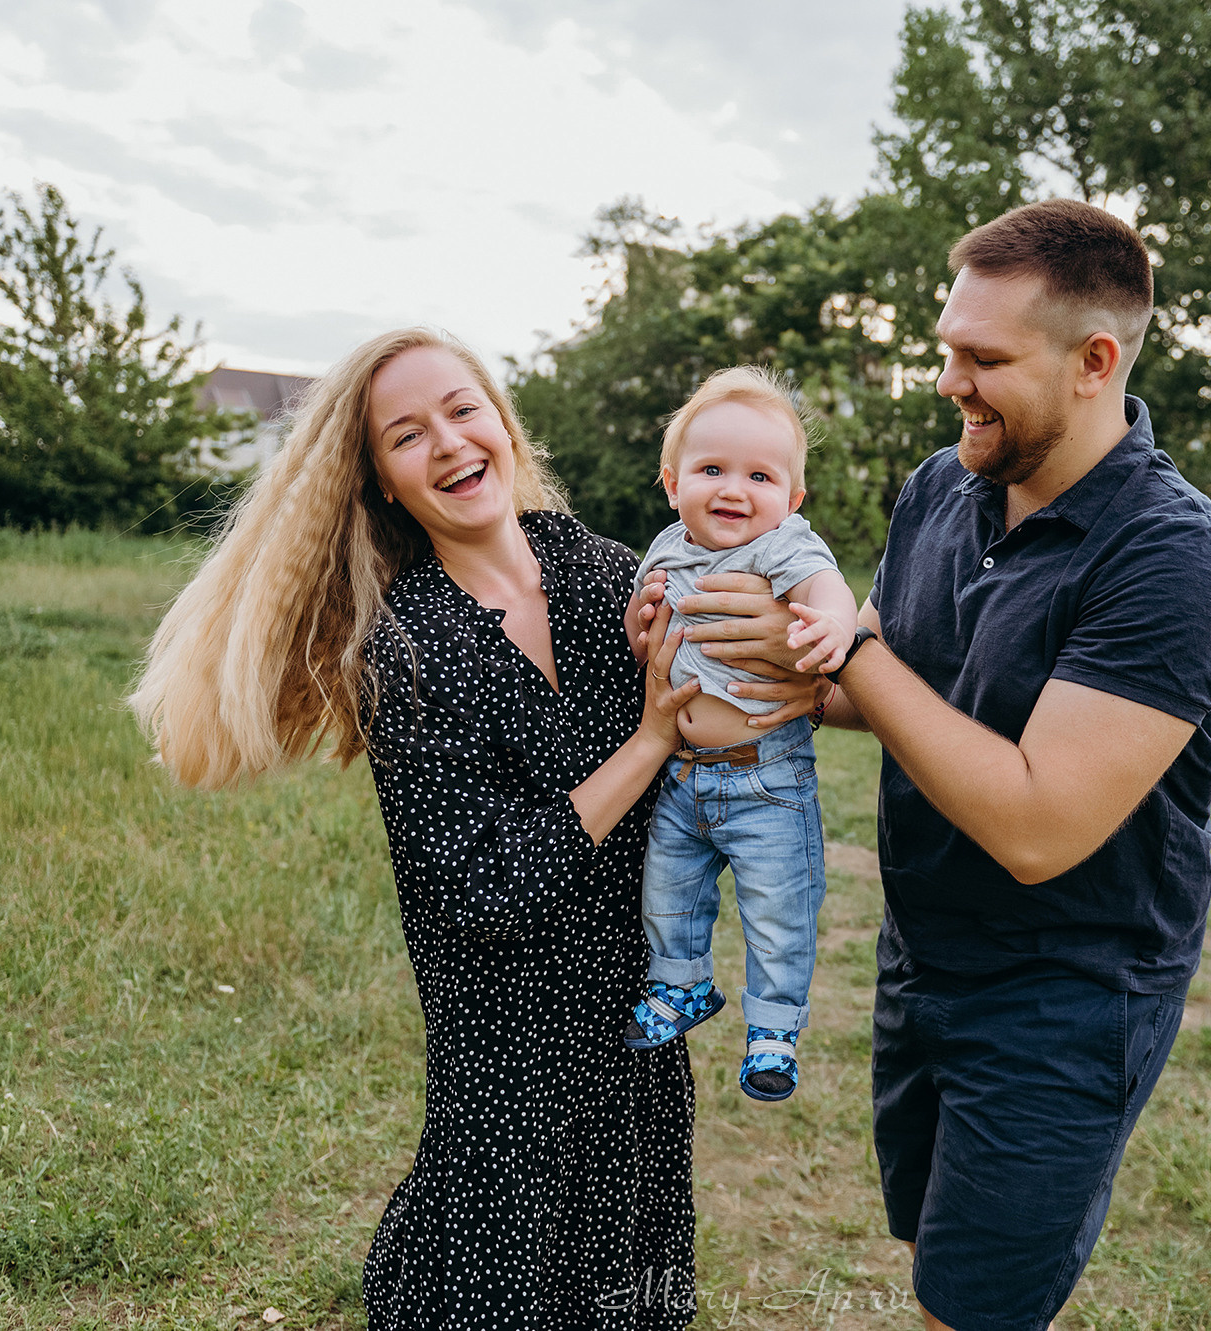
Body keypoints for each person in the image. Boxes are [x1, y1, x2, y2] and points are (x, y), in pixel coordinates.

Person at [128, 327, 815, 1329]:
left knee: (631, 1296)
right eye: (407, 435)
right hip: (509, 1062)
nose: (449, 443)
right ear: (382, 483)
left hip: (634, 1036)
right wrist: (649, 738)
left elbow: (752, 685)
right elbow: (477, 886)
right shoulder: (403, 645)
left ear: (501, 421)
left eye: (462, 409)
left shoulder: (605, 574)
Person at [820, 201, 1211, 1331]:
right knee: (935, 1260)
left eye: (982, 358)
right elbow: (873, 683)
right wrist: (722, 671)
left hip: (1065, 993)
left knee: (973, 1309)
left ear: (1092, 361)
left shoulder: (1173, 558)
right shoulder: (939, 486)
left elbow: (1036, 824)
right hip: (923, 956)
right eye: (945, 347)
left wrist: (850, 650)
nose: (946, 379)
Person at [617, 366, 858, 1104]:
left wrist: (833, 623)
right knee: (666, 894)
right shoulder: (664, 548)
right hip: (685, 776)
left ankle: (775, 1029)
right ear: (671, 482)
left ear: (790, 499)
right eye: (711, 469)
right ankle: (682, 984)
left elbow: (826, 587)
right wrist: (637, 628)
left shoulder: (778, 547)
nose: (733, 488)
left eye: (759, 475)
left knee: (778, 908)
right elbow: (647, 632)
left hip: (765, 778)